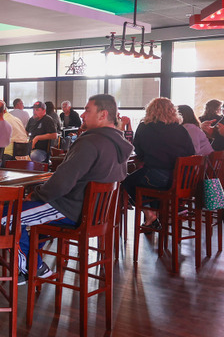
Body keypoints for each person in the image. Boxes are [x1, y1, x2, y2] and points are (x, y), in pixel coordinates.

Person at [18, 94, 133, 284]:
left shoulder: (90, 142)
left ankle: (32, 268)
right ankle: (33, 261)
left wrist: (36, 194)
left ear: (103, 114)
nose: (82, 115)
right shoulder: (118, 145)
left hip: (71, 210)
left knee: (7, 215)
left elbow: (62, 182)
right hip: (97, 215)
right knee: (34, 224)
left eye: (87, 110)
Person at [122, 97, 195, 231]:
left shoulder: (145, 127)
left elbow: (139, 152)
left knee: (127, 182)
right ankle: (157, 215)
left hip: (158, 178)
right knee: (144, 180)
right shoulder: (180, 129)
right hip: (182, 180)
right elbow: (191, 153)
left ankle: (150, 214)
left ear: (150, 111)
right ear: (172, 111)